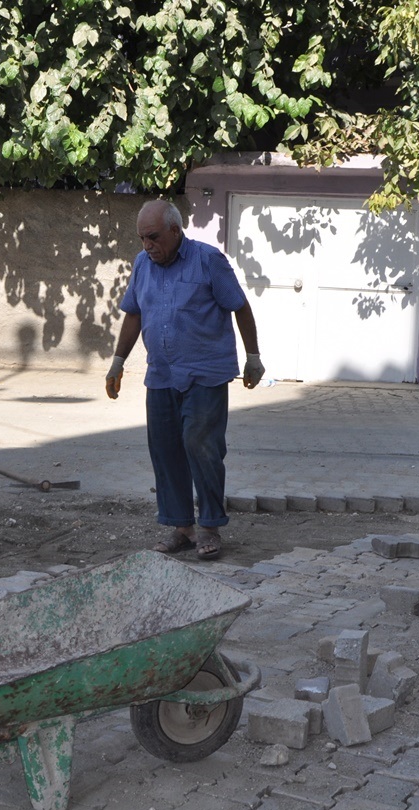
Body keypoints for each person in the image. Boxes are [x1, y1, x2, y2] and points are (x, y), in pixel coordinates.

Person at [105, 199, 264, 562]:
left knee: (201, 445)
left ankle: (209, 526)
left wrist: (253, 356)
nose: (147, 245)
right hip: (160, 374)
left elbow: (239, 305)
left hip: (205, 372)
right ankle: (182, 527)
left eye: (154, 237)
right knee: (164, 449)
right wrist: (118, 362)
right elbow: (133, 313)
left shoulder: (208, 260)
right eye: (142, 238)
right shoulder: (142, 264)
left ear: (175, 231)